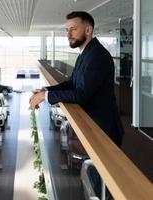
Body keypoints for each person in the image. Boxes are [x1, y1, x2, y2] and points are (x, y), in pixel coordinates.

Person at [29, 11, 124, 147]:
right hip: (94, 126)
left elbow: (81, 95)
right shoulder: (85, 53)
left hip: (104, 130)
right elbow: (72, 83)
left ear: (88, 30)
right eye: (67, 30)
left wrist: (46, 96)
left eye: (73, 30)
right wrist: (45, 91)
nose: (68, 35)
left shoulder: (97, 55)